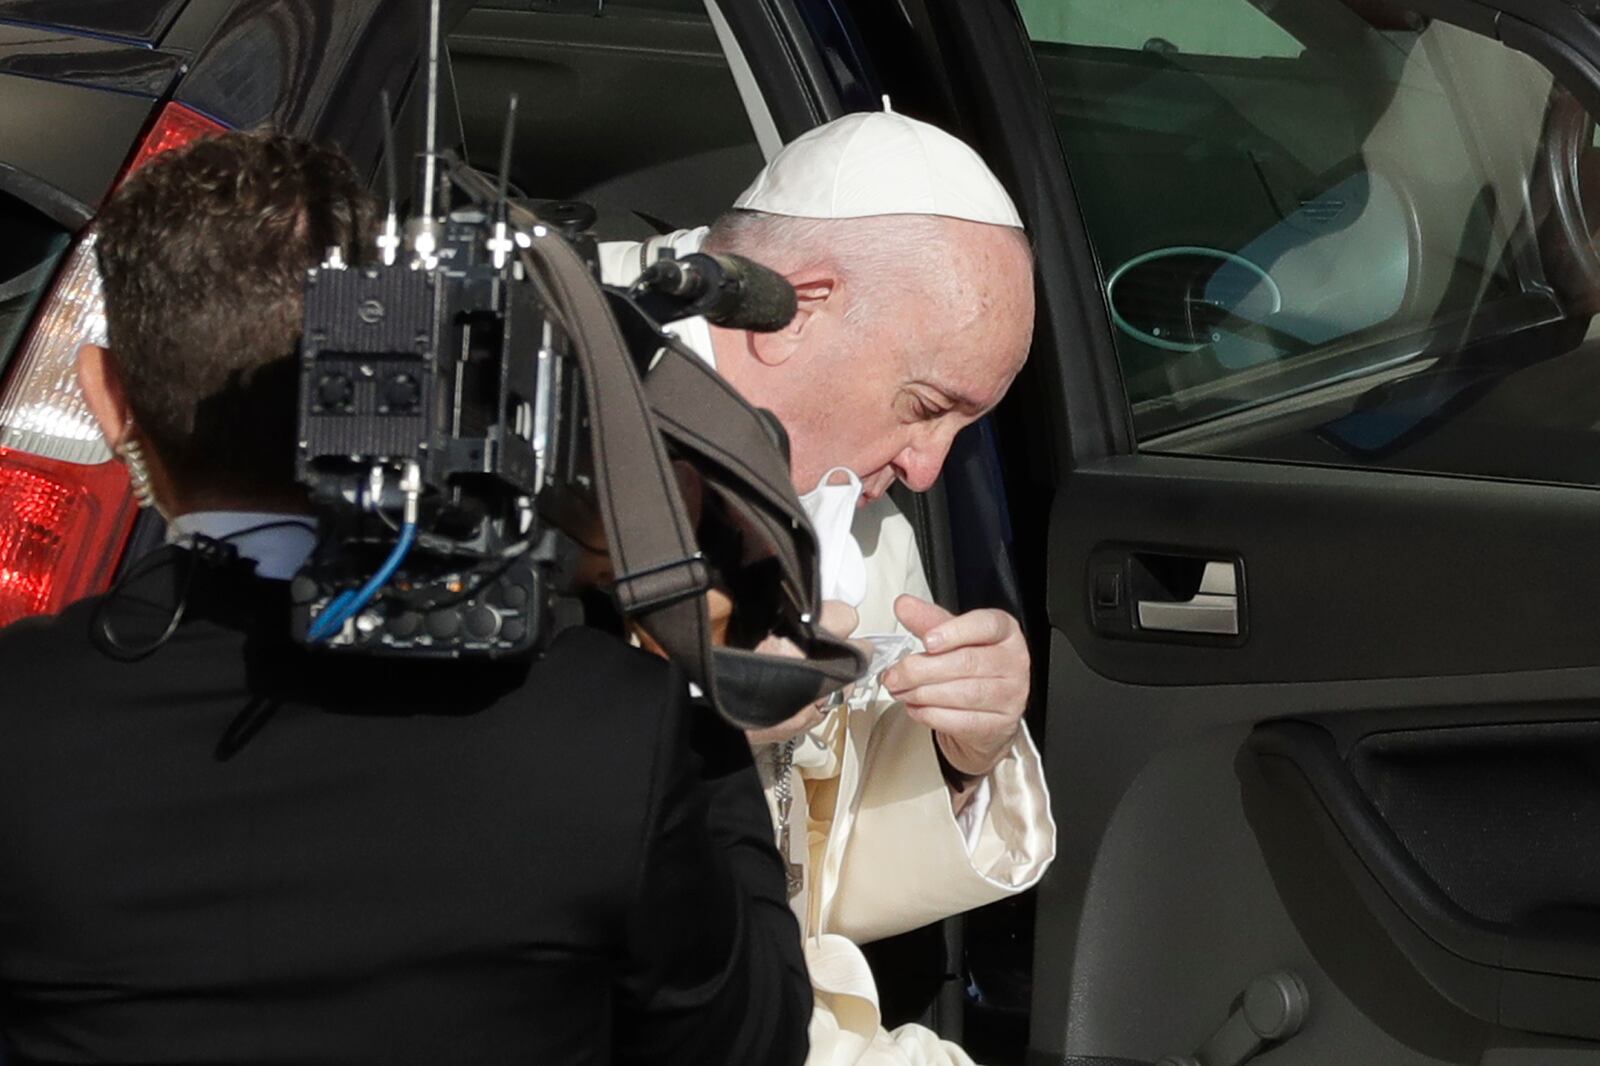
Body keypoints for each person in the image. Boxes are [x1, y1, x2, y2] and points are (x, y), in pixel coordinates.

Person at [0, 130, 810, 1065]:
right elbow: (752, 1043)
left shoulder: (22, 715)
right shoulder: (606, 733)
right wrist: (690, 685)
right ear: (405, 379)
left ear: (106, 399)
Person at [599, 109, 1057, 1065]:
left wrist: (962, 754)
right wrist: (701, 729)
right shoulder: (557, 385)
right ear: (800, 307)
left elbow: (811, 862)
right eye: (927, 408)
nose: (930, 470)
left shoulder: (854, 495)